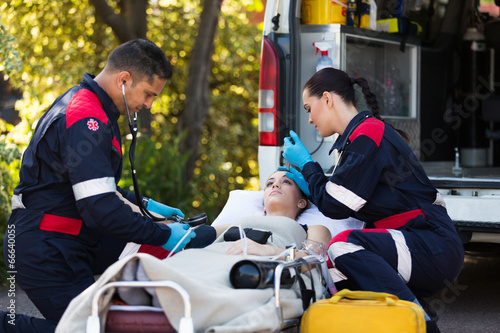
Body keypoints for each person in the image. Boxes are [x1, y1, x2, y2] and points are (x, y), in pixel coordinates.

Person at [1, 39, 196, 333]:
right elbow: (100, 209)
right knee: (88, 330)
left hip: (67, 239)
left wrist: (145, 204)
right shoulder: (86, 118)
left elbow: (92, 186)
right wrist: (163, 234)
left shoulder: (95, 110)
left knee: (104, 322)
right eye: (148, 94)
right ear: (124, 80)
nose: (148, 104)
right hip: (45, 247)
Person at [282, 67, 464, 332]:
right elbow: (342, 196)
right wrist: (311, 185)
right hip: (418, 245)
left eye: (309, 108)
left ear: (328, 100)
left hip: (432, 244)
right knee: (332, 276)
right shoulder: (358, 138)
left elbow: (336, 205)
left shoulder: (367, 135)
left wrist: (309, 166)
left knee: (342, 246)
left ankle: (420, 323)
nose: (309, 119)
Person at [55, 169, 332, 333]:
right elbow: (192, 236)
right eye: (270, 183)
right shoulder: (235, 223)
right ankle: (149, 292)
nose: (275, 186)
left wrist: (267, 250)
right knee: (178, 264)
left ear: (302, 202)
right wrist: (150, 214)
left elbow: (314, 260)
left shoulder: (312, 228)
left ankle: (162, 301)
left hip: (254, 265)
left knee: (221, 281)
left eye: (286, 182)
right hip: (211, 256)